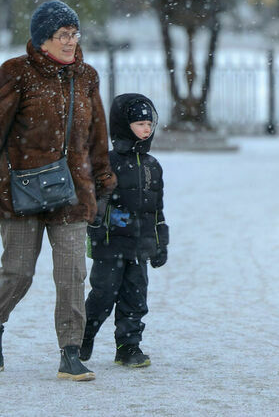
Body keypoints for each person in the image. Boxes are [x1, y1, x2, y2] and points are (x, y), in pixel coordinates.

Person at [0, 0, 116, 381]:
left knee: (72, 273)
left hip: (73, 193)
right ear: (43, 39)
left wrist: (105, 186)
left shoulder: (86, 77)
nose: (70, 42)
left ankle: (70, 352)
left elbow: (97, 138)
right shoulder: (17, 73)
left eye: (74, 34)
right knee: (19, 272)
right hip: (22, 191)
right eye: (63, 35)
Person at [80, 93, 169, 368]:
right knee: (103, 294)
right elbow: (91, 203)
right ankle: (83, 336)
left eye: (149, 124)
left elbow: (156, 209)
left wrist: (160, 243)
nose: (146, 129)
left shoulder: (153, 166)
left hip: (139, 247)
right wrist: (96, 230)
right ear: (123, 126)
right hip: (110, 243)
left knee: (135, 296)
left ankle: (128, 346)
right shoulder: (106, 163)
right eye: (139, 123)